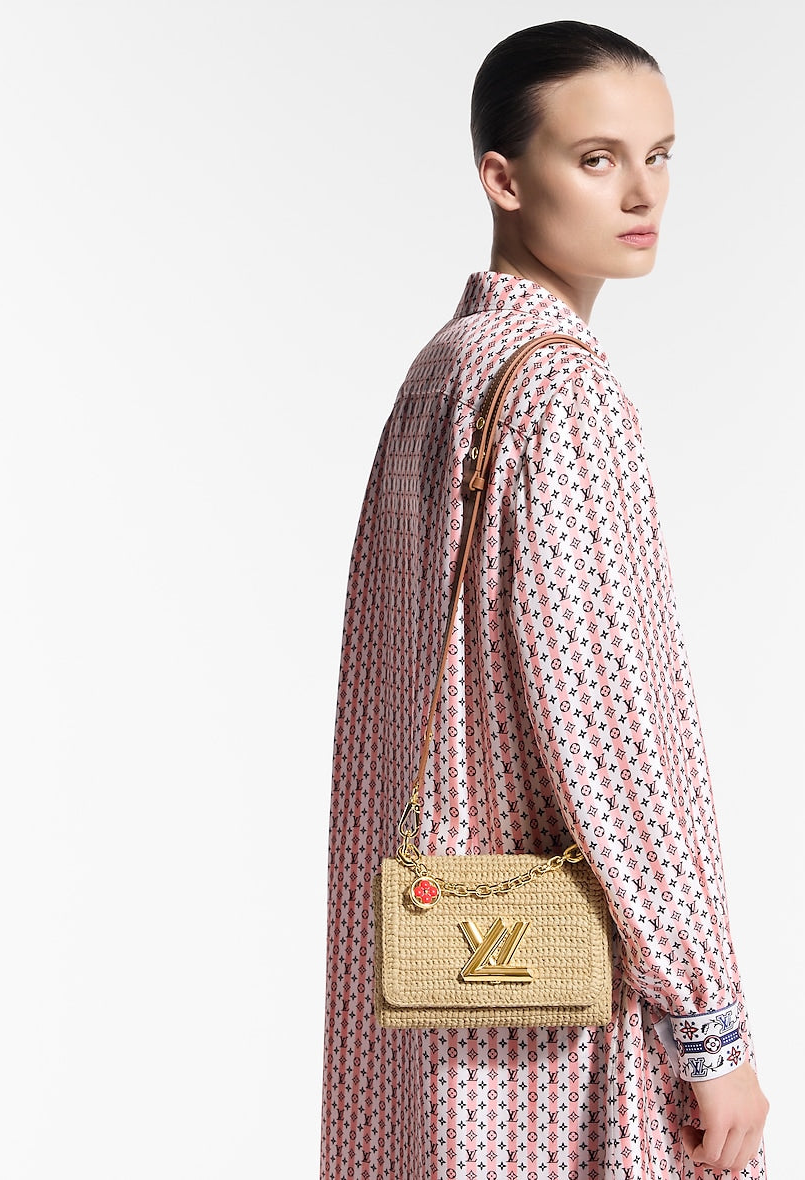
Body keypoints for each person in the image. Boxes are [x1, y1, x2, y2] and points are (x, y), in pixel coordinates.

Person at [320, 20, 770, 1179]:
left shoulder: (445, 368)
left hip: (440, 997)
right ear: (504, 178)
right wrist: (707, 1024)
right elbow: (610, 728)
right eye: (596, 157)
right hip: (559, 1023)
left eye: (659, 156)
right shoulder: (563, 396)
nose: (642, 192)